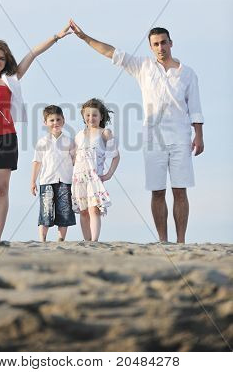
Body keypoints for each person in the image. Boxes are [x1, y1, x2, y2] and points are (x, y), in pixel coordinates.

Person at [70, 20, 204, 244]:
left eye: (163, 43)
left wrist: (198, 135)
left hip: (181, 137)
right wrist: (85, 38)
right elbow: (111, 52)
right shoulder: (143, 67)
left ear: (171, 43)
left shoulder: (187, 73)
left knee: (180, 191)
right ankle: (163, 240)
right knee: (157, 191)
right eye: (155, 44)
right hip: (153, 139)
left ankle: (181, 242)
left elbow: (195, 107)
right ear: (150, 47)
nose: (160, 47)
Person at [0, 24, 72, 241]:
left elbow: (33, 53)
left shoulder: (12, 79)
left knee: (1, 188)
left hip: (7, 138)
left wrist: (57, 36)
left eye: (1, 58)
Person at [72, 98, 120, 242]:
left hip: (94, 176)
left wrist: (109, 174)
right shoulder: (79, 135)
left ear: (101, 116)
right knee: (83, 210)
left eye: (94, 115)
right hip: (79, 177)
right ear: (83, 116)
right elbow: (74, 157)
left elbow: (116, 156)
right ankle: (86, 241)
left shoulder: (105, 133)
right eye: (87, 115)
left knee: (94, 209)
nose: (91, 118)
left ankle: (94, 241)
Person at [31, 105, 76, 242]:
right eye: (51, 120)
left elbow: (75, 160)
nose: (55, 123)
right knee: (46, 211)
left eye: (58, 119)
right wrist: (32, 181)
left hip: (65, 181)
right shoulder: (42, 142)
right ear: (45, 123)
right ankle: (42, 239)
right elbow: (37, 162)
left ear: (63, 121)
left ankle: (61, 239)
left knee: (64, 211)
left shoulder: (69, 141)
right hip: (46, 181)